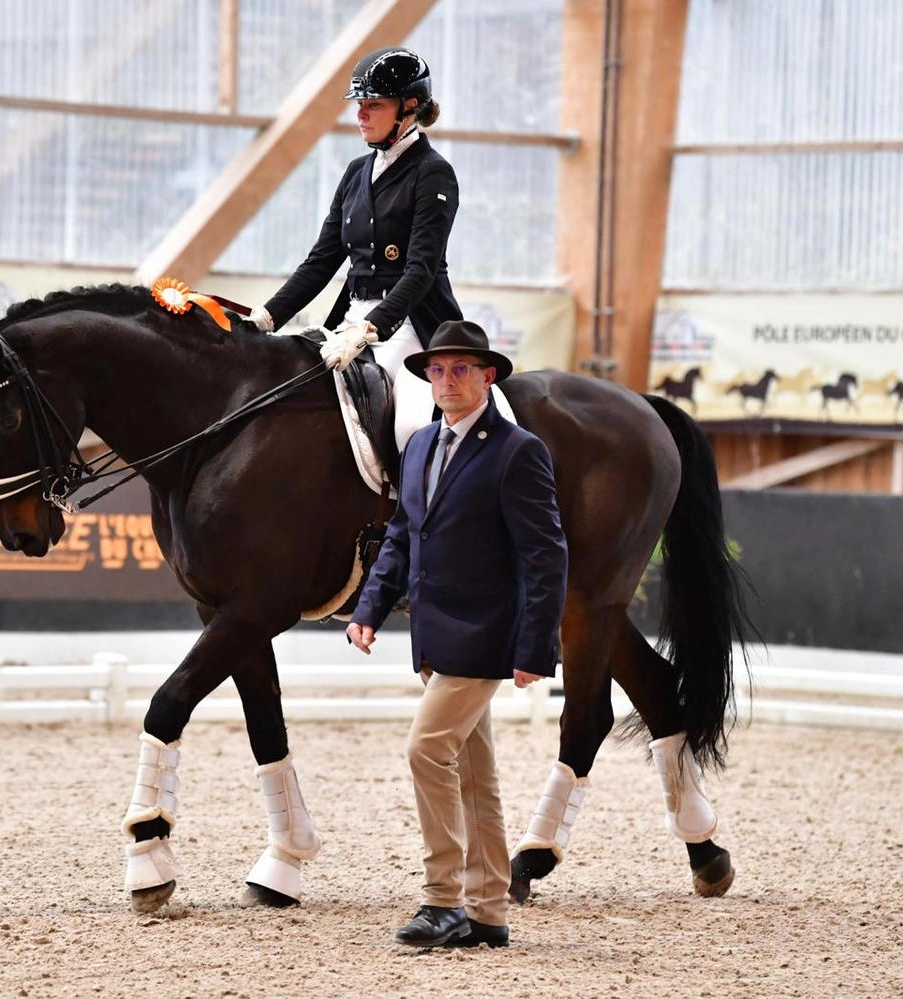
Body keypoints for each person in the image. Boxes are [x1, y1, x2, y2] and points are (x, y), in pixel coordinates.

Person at [345, 320, 568, 949]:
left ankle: (442, 898)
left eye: (461, 369)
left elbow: (545, 555)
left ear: (487, 376)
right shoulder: (419, 444)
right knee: (474, 774)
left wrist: (535, 645)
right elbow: (401, 535)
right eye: (438, 371)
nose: (447, 381)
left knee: (425, 750)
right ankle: (489, 910)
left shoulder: (517, 450)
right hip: (432, 632)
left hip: (485, 633)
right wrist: (369, 607)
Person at [250, 46, 463, 454]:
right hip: (351, 319)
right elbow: (321, 262)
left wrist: (369, 329)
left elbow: (420, 270)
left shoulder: (433, 172)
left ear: (409, 108)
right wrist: (265, 317)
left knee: (410, 426)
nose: (361, 114)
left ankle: (418, 496)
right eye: (359, 104)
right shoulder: (356, 172)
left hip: (407, 326)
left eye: (374, 105)